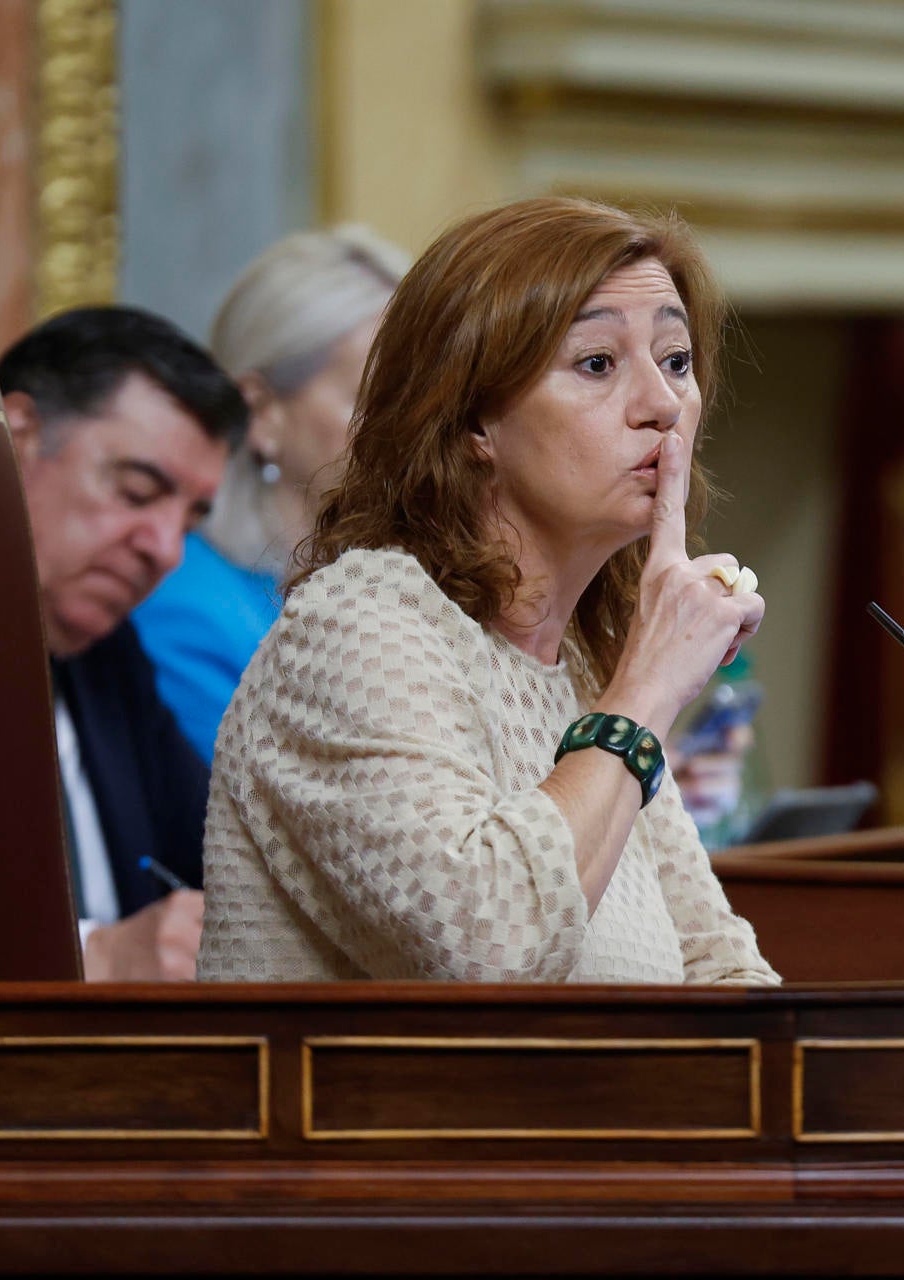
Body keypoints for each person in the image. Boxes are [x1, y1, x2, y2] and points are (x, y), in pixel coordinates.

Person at [198, 196, 779, 985]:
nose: (663, 405)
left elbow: (720, 966)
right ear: (474, 419)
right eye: (598, 364)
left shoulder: (574, 668)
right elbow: (488, 956)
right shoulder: (357, 627)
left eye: (676, 360)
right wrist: (646, 691)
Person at [0, 306, 248, 981]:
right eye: (138, 491)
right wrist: (94, 959)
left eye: (190, 520)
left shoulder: (112, 659)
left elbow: (224, 863)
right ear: (16, 438)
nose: (166, 551)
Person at [133, 227, 408, 762]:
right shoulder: (184, 608)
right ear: (260, 412)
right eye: (373, 397)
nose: (408, 427)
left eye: (419, 397)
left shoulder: (406, 588)